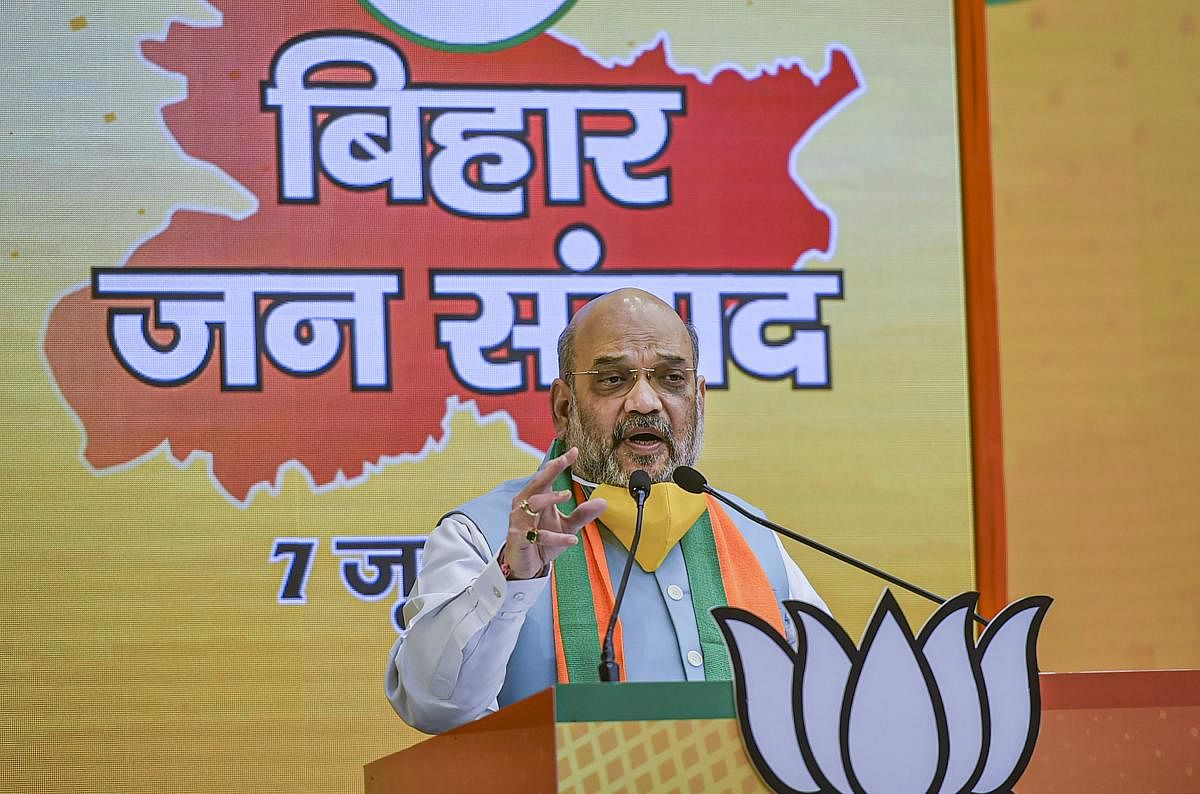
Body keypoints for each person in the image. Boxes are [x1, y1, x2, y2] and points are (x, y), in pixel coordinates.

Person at [386, 288, 826, 733]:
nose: (646, 402)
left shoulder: (751, 535)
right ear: (563, 406)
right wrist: (512, 579)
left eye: (671, 379)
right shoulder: (480, 534)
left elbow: (828, 700)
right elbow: (433, 707)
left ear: (699, 399)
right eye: (614, 380)